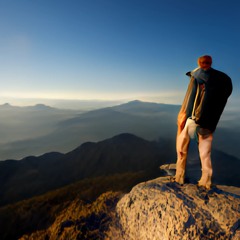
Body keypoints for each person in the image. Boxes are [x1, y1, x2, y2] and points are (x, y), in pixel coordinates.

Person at [174, 55, 232, 189]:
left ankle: (180, 176)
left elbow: (189, 101)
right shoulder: (221, 81)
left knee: (182, 148)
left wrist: (182, 118)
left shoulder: (197, 76)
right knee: (204, 152)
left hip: (192, 119)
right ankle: (206, 181)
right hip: (208, 121)